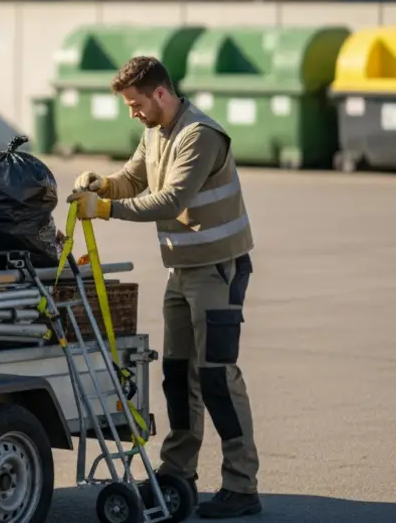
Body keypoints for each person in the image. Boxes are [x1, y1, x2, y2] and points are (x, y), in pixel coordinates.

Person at [66, 55, 261, 520]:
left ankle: (241, 484)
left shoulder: (200, 136)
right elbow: (134, 177)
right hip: (181, 271)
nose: (132, 112)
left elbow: (171, 198)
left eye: (135, 104)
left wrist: (106, 209)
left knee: (216, 375)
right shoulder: (154, 131)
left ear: (160, 94)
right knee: (177, 376)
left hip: (218, 271)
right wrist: (103, 184)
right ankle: (178, 473)